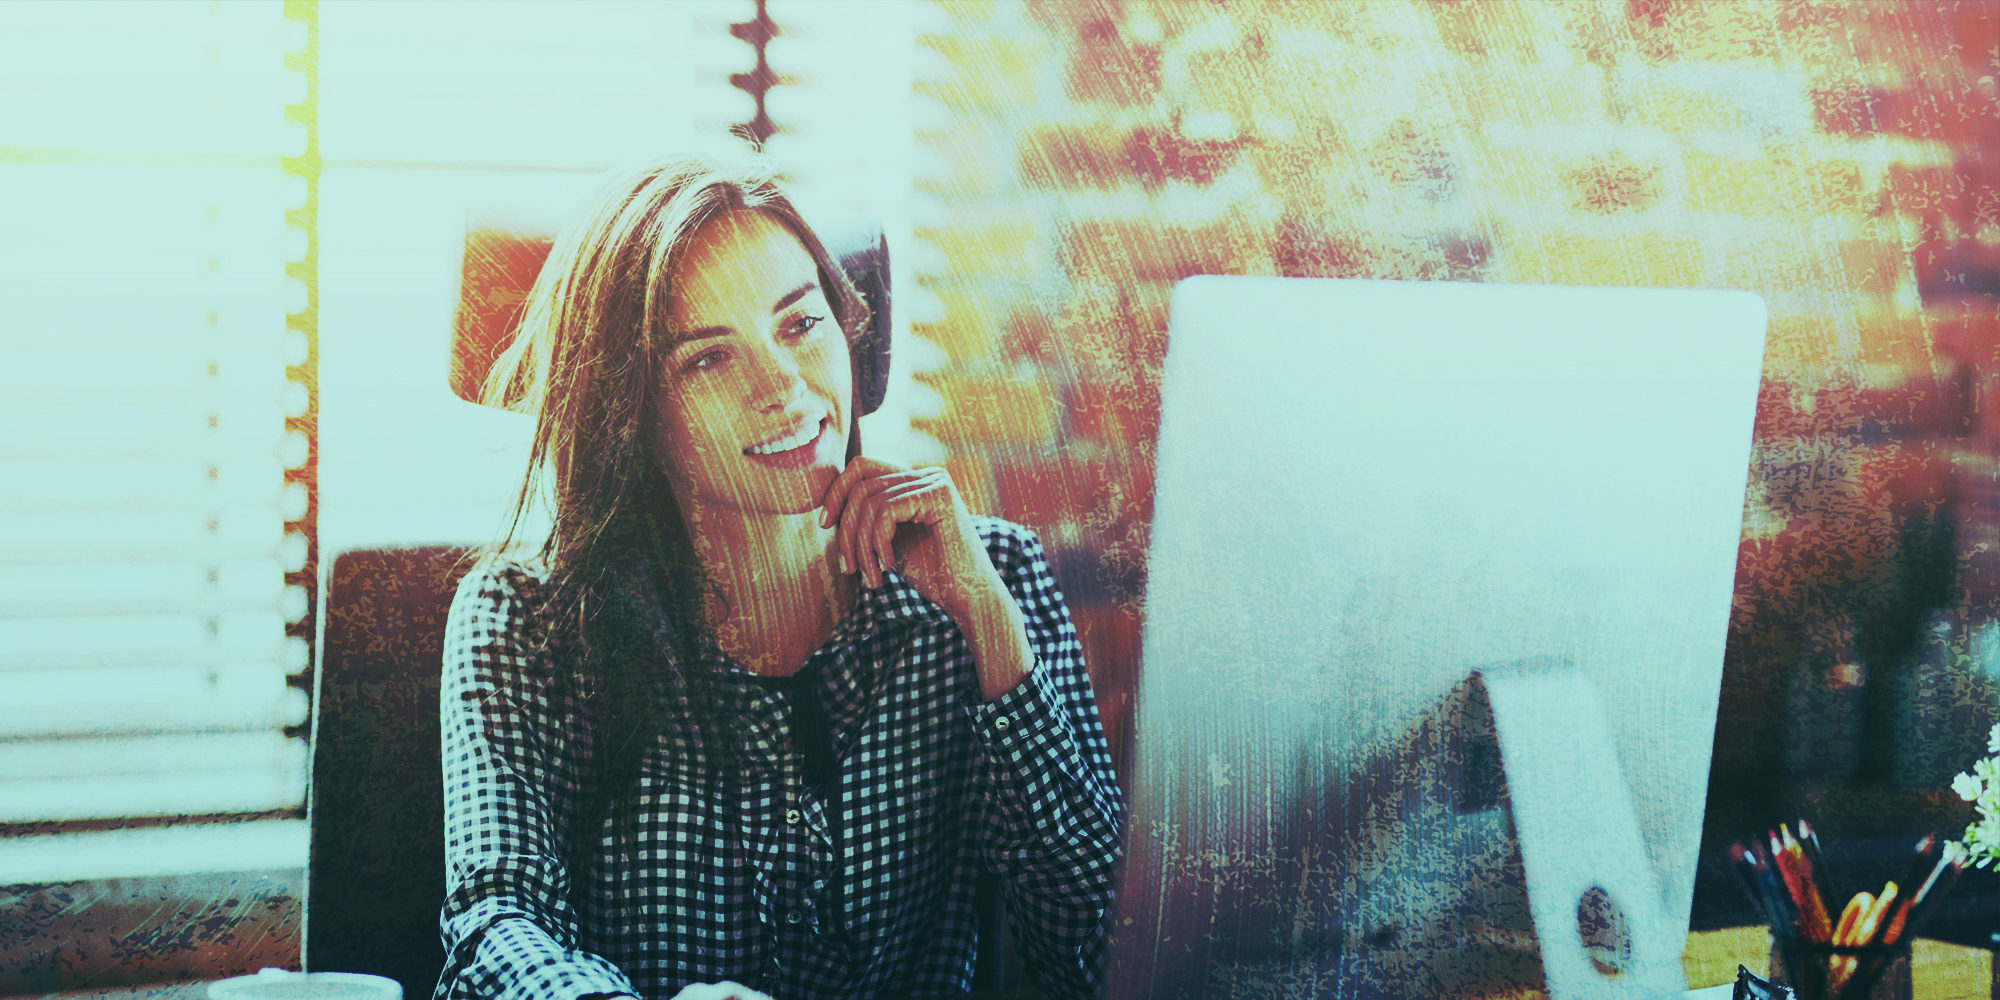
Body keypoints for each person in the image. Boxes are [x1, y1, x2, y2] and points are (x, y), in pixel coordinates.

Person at [433, 149, 1124, 1000]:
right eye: (708, 360)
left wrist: (986, 617)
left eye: (800, 325)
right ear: (633, 413)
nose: (786, 386)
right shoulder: (523, 621)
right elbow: (494, 926)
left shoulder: (995, 574)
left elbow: (1092, 946)